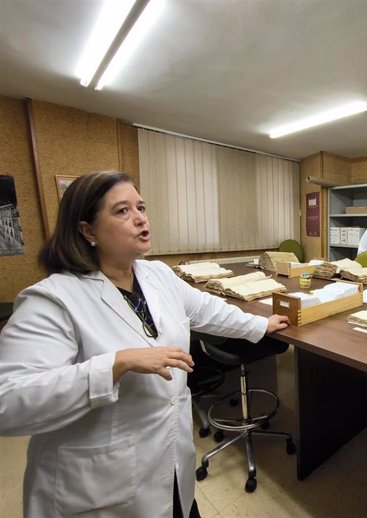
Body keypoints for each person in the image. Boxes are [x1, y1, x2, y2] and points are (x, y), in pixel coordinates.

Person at [0, 171, 290, 518]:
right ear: (87, 231)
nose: (140, 218)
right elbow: (8, 402)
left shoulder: (157, 275)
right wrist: (114, 365)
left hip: (168, 461)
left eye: (141, 207)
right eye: (122, 211)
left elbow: (206, 310)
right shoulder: (53, 300)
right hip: (100, 485)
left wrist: (261, 324)